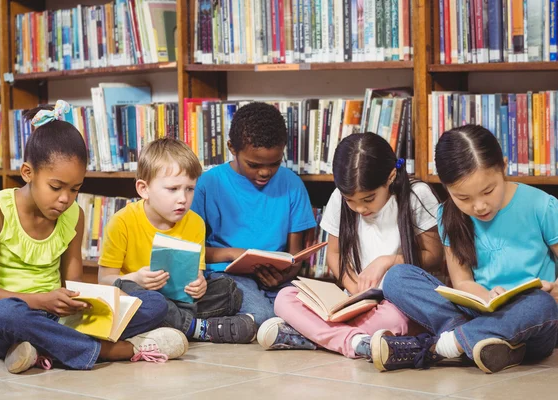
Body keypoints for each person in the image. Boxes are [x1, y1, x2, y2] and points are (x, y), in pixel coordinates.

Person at [0, 101, 187, 374]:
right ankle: (108, 350)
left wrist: (96, 300)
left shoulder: (74, 215)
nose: (64, 199)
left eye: (75, 189)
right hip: (12, 321)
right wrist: (41, 300)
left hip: (58, 318)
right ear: (28, 173)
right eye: (56, 187)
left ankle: (43, 350)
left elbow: (73, 284)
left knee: (154, 303)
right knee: (4, 313)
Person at [371, 125, 558, 374]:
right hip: (481, 309)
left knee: (541, 304)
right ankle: (485, 343)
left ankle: (441, 345)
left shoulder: (541, 206)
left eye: (488, 191)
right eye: (463, 198)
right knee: (397, 277)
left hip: (531, 322)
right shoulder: (447, 215)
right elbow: (462, 282)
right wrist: (485, 296)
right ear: (446, 188)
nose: (479, 206)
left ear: (503, 167)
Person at [259, 132, 443, 358]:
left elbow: (435, 255)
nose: (359, 209)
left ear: (391, 176)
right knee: (285, 297)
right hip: (354, 302)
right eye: (350, 201)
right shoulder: (339, 197)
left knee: (396, 319)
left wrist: (389, 261)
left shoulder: (416, 195)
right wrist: (353, 287)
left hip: (398, 303)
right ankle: (355, 341)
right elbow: (334, 254)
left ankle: (314, 336)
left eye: (368, 199)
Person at [98, 138, 256, 343]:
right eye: (173, 189)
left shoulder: (195, 223)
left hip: (181, 301)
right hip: (142, 299)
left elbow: (196, 273)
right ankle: (197, 328)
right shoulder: (121, 222)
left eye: (189, 189)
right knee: (148, 301)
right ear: (143, 189)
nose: (183, 198)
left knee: (228, 290)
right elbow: (104, 281)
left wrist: (199, 284)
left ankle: (174, 324)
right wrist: (136, 278)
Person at [191, 102, 317, 326]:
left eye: (275, 163)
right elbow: (193, 251)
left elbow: (294, 257)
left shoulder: (292, 184)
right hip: (226, 276)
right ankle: (209, 327)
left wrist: (284, 275)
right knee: (264, 315)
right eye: (254, 164)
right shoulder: (208, 184)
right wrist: (234, 254)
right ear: (232, 148)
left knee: (313, 314)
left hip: (276, 281)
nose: (265, 172)